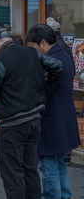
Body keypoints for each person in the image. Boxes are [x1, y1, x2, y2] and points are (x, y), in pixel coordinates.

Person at [0, 25, 63, 199]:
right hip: (34, 120)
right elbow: (57, 66)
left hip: (12, 125)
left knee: (13, 174)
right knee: (30, 170)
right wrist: (42, 85)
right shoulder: (31, 52)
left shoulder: (0, 60)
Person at [26, 24, 81, 199]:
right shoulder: (64, 54)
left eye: (33, 46)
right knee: (59, 165)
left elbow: (42, 91)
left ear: (42, 42)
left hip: (50, 121)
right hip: (63, 119)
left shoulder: (50, 60)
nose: (33, 50)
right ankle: (64, 196)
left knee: (48, 167)